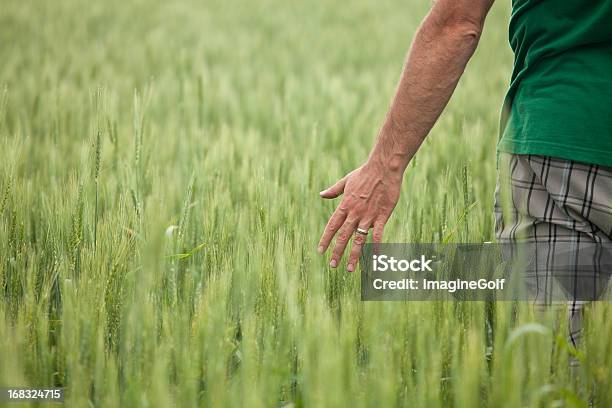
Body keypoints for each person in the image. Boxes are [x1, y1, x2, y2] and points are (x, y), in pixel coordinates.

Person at [317, 0, 612, 347]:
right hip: (570, 138)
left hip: (564, 138)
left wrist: (385, 164)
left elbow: (457, 22)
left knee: (560, 359)